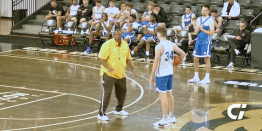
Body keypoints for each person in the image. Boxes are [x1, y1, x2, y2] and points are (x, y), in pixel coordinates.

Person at [150, 26, 185, 127]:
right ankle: (171, 116)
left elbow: (155, 63)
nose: (157, 36)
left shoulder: (159, 46)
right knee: (169, 93)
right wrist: (177, 63)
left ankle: (165, 119)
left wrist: (152, 75)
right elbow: (182, 54)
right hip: (170, 72)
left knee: (162, 95)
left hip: (161, 73)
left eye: (157, 34)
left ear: (159, 35)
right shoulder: (171, 44)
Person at [97, 29, 136, 121]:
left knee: (122, 92)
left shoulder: (125, 45)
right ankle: (101, 114)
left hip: (121, 74)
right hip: (108, 74)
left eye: (119, 35)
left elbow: (128, 59)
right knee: (107, 93)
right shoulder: (107, 44)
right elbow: (101, 58)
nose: (117, 36)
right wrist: (108, 68)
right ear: (113, 35)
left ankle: (118, 110)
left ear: (122, 35)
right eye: (116, 35)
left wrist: (133, 68)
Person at [188, 4, 214, 84]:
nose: (203, 11)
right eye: (202, 10)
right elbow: (196, 31)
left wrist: (202, 29)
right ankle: (196, 77)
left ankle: (207, 78)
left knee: (206, 59)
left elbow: (212, 33)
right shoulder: (199, 19)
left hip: (206, 41)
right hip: (199, 40)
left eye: (205, 10)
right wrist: (197, 29)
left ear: (208, 11)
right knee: (195, 58)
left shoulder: (210, 20)